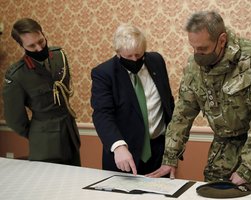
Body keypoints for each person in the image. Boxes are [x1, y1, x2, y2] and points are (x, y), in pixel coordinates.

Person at [147, 11, 251, 190]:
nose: (197, 54)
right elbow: (182, 114)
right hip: (222, 154)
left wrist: (248, 169)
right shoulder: (193, 68)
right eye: (193, 47)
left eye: (202, 49)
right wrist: (170, 158)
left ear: (222, 40)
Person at [91, 24, 174, 175]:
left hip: (159, 153)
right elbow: (102, 114)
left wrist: (172, 150)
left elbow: (168, 103)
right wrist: (118, 146)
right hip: (124, 155)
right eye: (129, 56)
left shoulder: (156, 61)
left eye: (139, 54)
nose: (135, 60)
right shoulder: (104, 74)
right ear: (118, 53)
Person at [2, 18, 81, 166]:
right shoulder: (17, 75)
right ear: (22, 46)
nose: (39, 48)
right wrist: (37, 133)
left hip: (70, 136)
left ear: (43, 34)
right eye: (31, 46)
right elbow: (14, 119)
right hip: (45, 145)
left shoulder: (59, 56)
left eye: (41, 41)